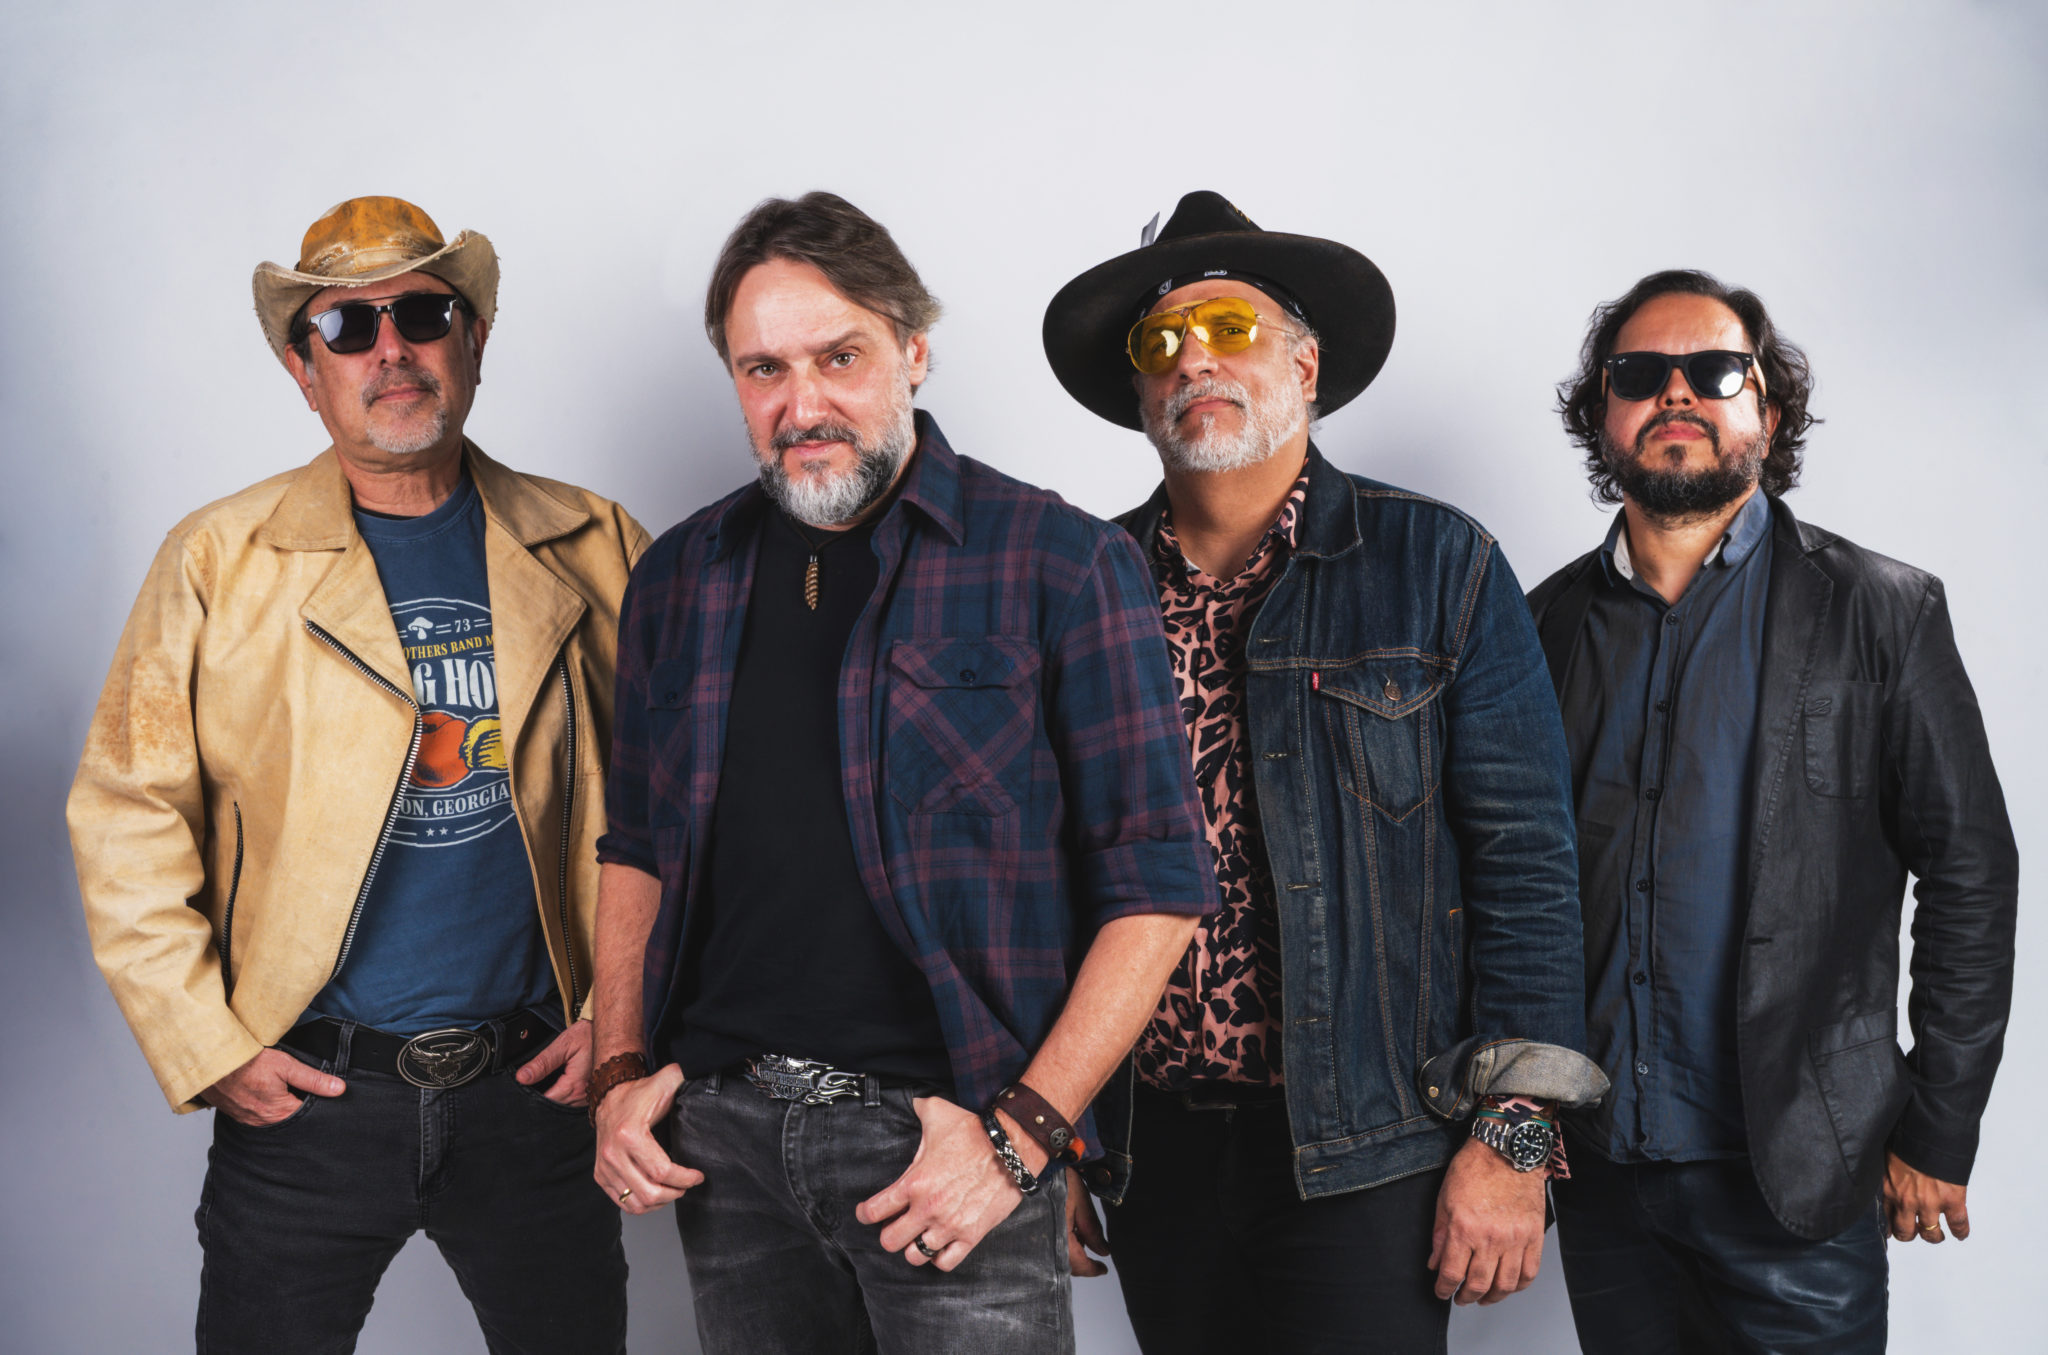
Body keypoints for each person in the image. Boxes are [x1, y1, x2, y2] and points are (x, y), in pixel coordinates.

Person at [585, 191, 1217, 1354]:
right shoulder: (678, 575)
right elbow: (634, 845)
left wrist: (1023, 1135)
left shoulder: (1056, 560)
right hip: (724, 1142)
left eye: (840, 356)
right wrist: (619, 1066)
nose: (801, 405)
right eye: (763, 369)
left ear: (913, 351)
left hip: (947, 1137)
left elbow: (1159, 883)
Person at [67, 196, 647, 1354]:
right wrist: (207, 1041)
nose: (391, 350)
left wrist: (620, 1022)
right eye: (347, 326)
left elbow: (676, 805)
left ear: (472, 339)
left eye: (423, 315)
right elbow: (129, 812)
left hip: (537, 1091)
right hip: (310, 1105)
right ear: (303, 368)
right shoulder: (218, 560)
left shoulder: (595, 542)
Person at [1040, 191, 1607, 1353]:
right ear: (1140, 393)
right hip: (1152, 1151)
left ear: (1304, 364)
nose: (1193, 357)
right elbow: (1036, 884)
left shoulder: (1437, 564)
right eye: (1160, 341)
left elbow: (1526, 868)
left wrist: (1514, 1135)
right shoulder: (1078, 585)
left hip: (1369, 1146)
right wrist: (1052, 1129)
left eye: (1228, 329)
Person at [1529, 269, 2019, 1353]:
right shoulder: (1539, 626)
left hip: (1801, 1173)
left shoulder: (1881, 610)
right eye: (1638, 373)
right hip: (1601, 1176)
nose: (1675, 393)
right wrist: (1516, 1144)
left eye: (1714, 371)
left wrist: (1940, 1125)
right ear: (1602, 412)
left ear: (1769, 408)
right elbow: (1509, 895)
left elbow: (1970, 873)